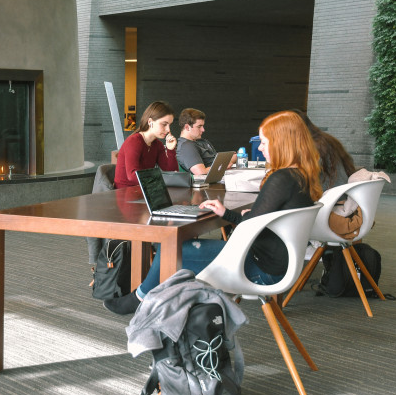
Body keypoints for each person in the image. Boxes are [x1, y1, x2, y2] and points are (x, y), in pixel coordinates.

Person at [104, 110, 323, 315]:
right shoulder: (300, 175)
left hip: (259, 267)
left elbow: (250, 225)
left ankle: (140, 298)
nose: (261, 148)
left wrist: (242, 215)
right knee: (181, 249)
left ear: (282, 143)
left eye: (265, 143)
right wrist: (231, 213)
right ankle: (165, 299)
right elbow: (258, 220)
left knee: (171, 248)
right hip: (278, 262)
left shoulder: (280, 179)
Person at [113, 101, 179, 188]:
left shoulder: (157, 144)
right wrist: (158, 180)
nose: (168, 129)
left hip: (145, 189)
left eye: (169, 125)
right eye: (164, 124)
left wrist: (170, 150)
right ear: (150, 122)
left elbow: (172, 173)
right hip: (125, 191)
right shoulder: (134, 141)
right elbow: (132, 176)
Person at [290, 109, 356, 190]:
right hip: (341, 191)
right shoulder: (325, 139)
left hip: (330, 194)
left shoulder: (314, 146)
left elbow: (299, 176)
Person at [176, 108, 237, 175]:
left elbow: (216, 161)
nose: (203, 130)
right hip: (213, 180)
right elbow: (201, 172)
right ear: (187, 127)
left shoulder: (202, 141)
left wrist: (227, 160)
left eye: (202, 126)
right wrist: (225, 164)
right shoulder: (186, 146)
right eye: (199, 126)